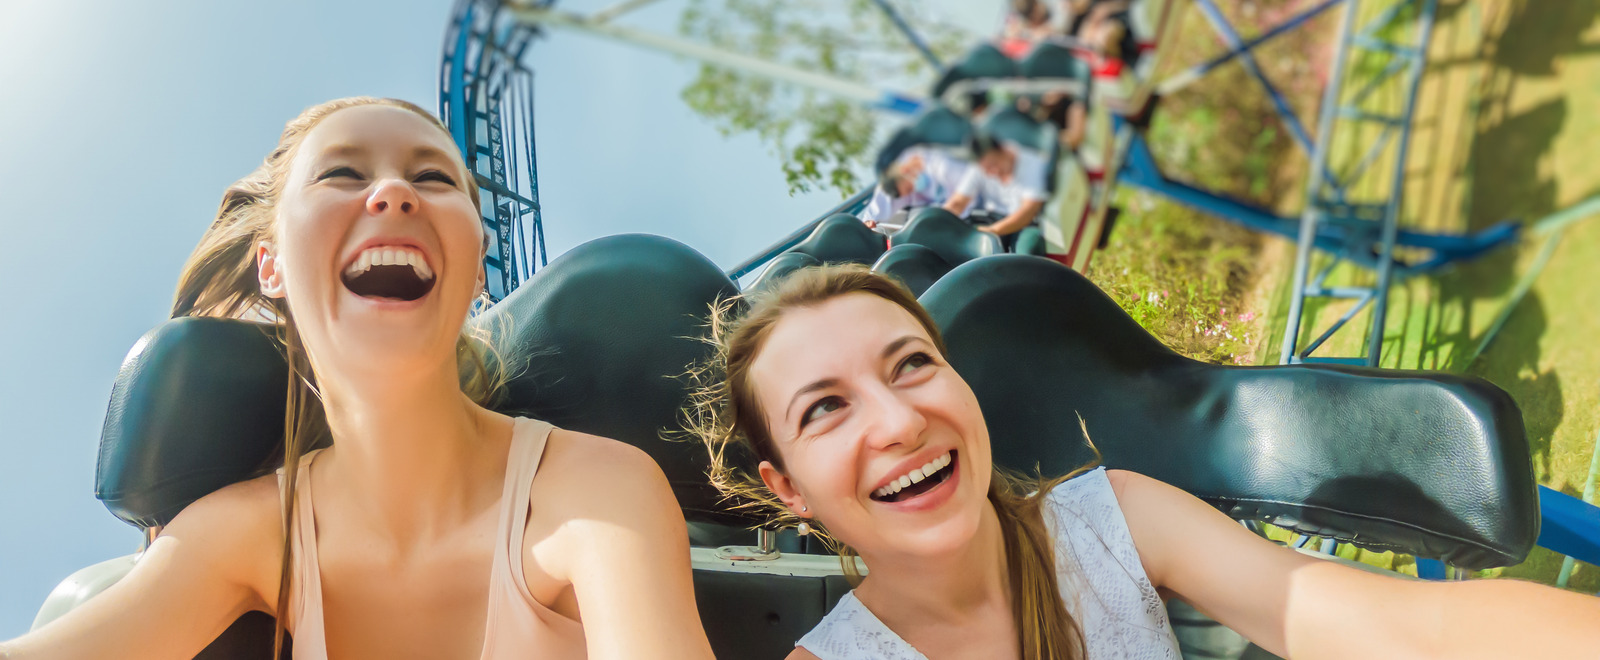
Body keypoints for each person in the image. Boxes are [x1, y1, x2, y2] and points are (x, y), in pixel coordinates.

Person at [2, 97, 716, 660]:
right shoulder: (247, 532)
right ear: (271, 265)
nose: (395, 193)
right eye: (343, 174)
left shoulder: (595, 492)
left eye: (433, 178)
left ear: (475, 266)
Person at [688, 265, 1600, 660]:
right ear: (788, 489)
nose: (897, 421)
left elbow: (1402, 631)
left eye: (913, 364)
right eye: (826, 409)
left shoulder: (1110, 519)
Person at [943, 134, 1050, 242]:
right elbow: (958, 202)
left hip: (1023, 225)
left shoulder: (1033, 164)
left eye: (994, 164)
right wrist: (938, 222)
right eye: (986, 169)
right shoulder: (979, 165)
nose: (992, 172)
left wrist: (992, 231)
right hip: (991, 219)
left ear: (1003, 150)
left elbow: (1028, 210)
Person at [861, 147, 978, 228]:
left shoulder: (943, 166)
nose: (910, 193)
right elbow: (885, 196)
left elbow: (972, 189)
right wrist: (870, 220)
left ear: (905, 170)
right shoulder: (906, 182)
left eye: (908, 189)